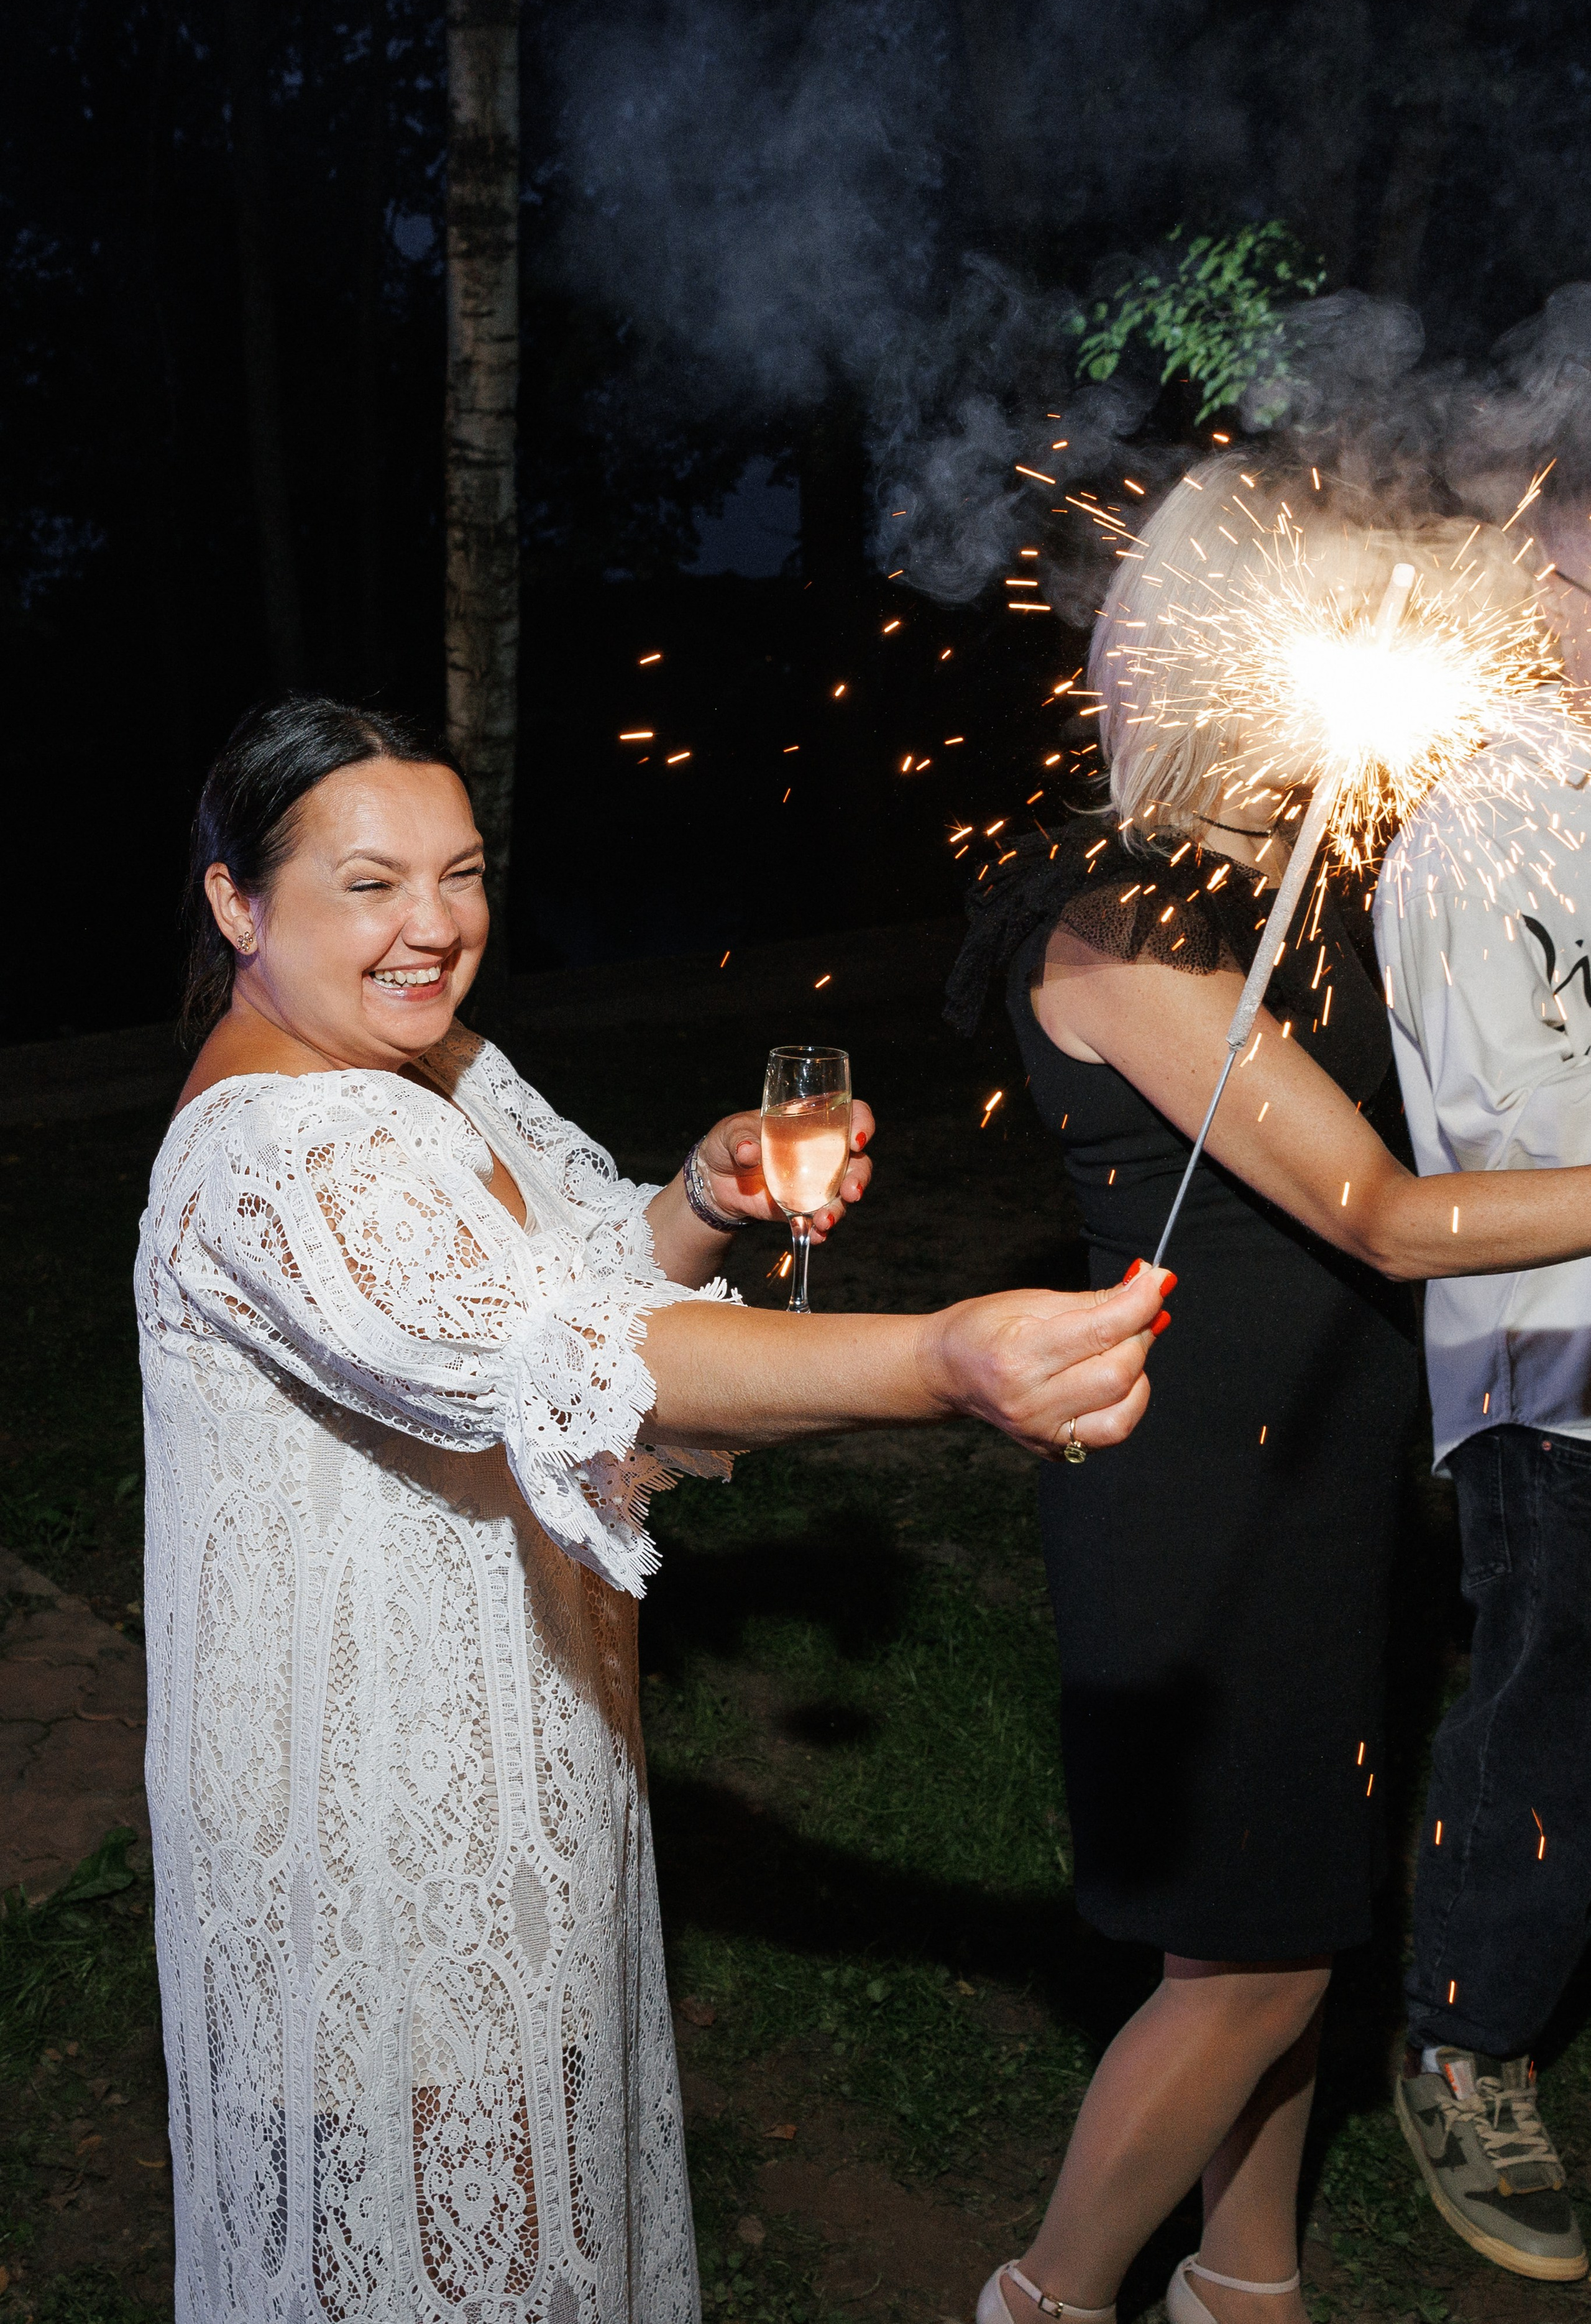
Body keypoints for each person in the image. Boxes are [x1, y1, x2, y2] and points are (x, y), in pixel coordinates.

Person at [138, 696, 1171, 2324]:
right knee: (444, 2244)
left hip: (524, 1735)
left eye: (461, 874)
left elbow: (571, 1275)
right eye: (371, 885)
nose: (434, 928)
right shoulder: (273, 1154)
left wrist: (701, 1200)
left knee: (552, 2213)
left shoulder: (435, 1063)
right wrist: (939, 1362)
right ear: (236, 904)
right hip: (379, 1810)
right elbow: (556, 1360)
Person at [946, 458, 1591, 2324]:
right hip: (1194, 1488)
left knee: (1296, 1920)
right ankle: (1048, 2300)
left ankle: (1247, 2288)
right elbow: (1381, 1215)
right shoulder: (1115, 926)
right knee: (1251, 1971)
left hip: (1317, 1462)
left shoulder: (1285, 894)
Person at [1375, 498, 1591, 2285]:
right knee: (1549, 1712)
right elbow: (1497, 1128)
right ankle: (1467, 2036)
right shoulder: (1475, 822)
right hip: (1554, 1366)